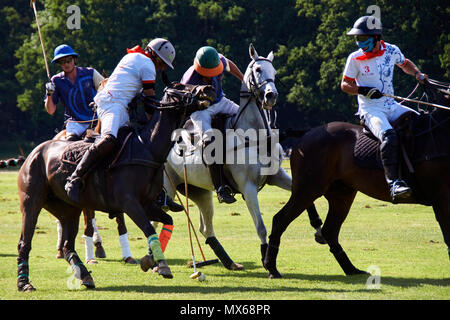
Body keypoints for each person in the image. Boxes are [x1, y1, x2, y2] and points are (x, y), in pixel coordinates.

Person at [64, 38, 177, 203]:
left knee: (131, 145)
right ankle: (74, 179)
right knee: (109, 139)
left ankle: (153, 192)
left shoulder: (133, 57)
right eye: (162, 61)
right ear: (154, 54)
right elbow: (150, 101)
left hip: (119, 106)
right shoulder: (147, 66)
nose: (163, 67)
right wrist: (155, 125)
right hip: (112, 104)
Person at [341, 16, 428, 202]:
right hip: (371, 110)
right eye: (357, 39)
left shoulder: (391, 50)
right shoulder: (355, 58)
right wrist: (363, 90)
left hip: (391, 106)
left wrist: (418, 74)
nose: (359, 43)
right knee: (389, 136)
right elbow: (345, 85)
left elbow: (405, 63)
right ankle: (395, 183)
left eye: (363, 39)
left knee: (422, 123)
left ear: (377, 37)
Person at [181, 46, 244, 204]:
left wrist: (243, 80)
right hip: (200, 110)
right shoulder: (189, 78)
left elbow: (229, 64)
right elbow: (183, 103)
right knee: (209, 140)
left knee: (245, 118)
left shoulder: (220, 60)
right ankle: (220, 188)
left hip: (221, 101)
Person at [45, 44, 104, 140]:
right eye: (62, 62)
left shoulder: (90, 73)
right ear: (59, 64)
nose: (66, 64)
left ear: (74, 60)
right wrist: (49, 94)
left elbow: (107, 90)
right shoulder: (56, 81)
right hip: (75, 123)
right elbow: (51, 111)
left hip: (98, 119)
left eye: (68, 60)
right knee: (69, 142)